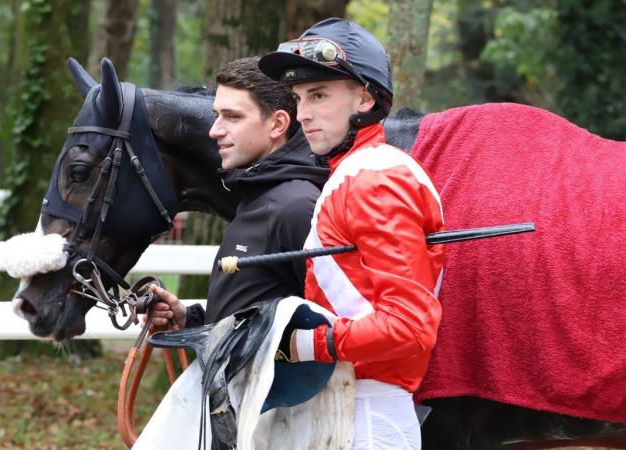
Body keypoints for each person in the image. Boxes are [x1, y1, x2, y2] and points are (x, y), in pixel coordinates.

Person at [258, 18, 446, 449]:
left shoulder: (373, 179)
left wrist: (305, 344)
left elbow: (410, 326)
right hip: (346, 408)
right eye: (299, 98)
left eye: (319, 95)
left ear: (363, 97)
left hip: (367, 415)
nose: (302, 114)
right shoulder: (358, 174)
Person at [147, 57, 328, 329]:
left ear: (277, 124)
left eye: (232, 117)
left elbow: (329, 326)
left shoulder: (297, 206)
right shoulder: (258, 192)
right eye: (216, 115)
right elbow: (253, 320)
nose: (215, 130)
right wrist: (188, 318)